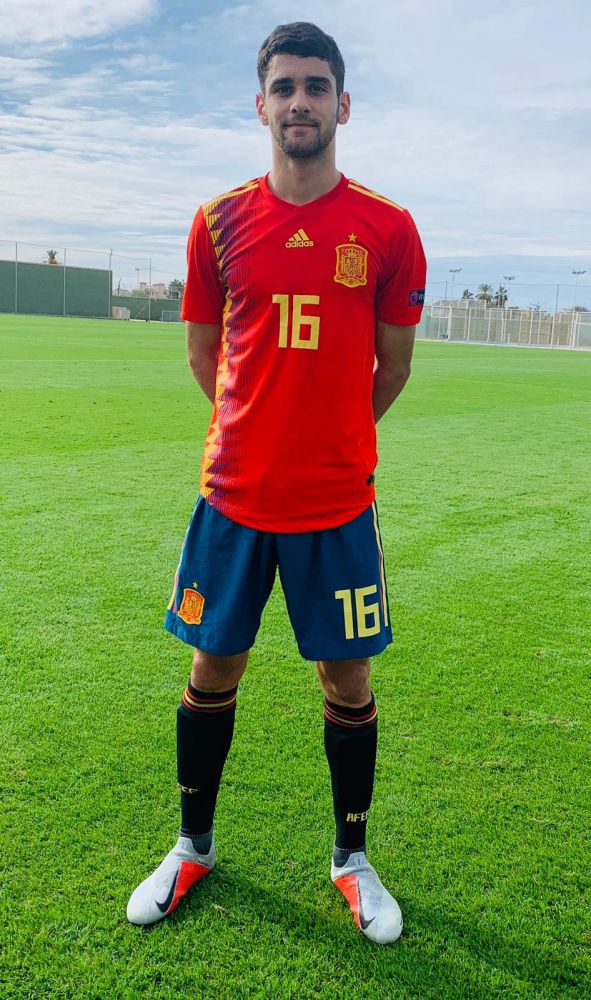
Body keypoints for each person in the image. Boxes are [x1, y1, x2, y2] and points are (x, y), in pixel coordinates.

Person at [127, 21, 426, 945]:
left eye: (317, 86)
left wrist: (329, 441)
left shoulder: (387, 228)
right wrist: (257, 437)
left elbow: (393, 368)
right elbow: (203, 351)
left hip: (335, 505)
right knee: (212, 667)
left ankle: (351, 858)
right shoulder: (217, 221)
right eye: (284, 87)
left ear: (343, 105)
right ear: (261, 104)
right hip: (234, 500)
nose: (301, 102)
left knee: (346, 677)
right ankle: (192, 845)